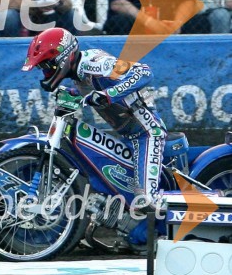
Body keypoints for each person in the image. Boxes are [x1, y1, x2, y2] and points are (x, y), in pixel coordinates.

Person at [22, 26, 167, 247]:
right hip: (129, 137)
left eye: (47, 65)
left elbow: (144, 72)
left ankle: (179, 222)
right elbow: (88, 92)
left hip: (148, 133)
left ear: (64, 56)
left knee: (145, 198)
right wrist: (72, 95)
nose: (46, 71)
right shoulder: (79, 75)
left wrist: (109, 95)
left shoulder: (96, 63)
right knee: (106, 183)